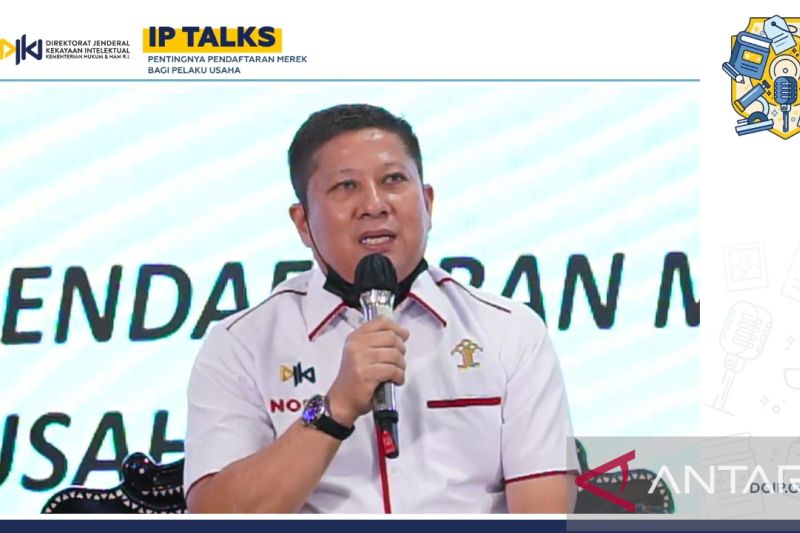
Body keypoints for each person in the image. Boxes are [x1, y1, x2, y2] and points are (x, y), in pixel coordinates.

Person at [183, 103, 579, 513]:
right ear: (303, 223)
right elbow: (216, 515)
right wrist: (335, 409)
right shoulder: (241, 344)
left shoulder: (510, 332)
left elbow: (548, 514)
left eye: (393, 180)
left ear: (427, 202)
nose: (374, 204)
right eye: (346, 186)